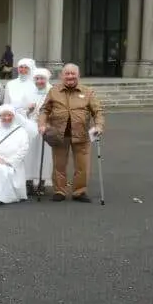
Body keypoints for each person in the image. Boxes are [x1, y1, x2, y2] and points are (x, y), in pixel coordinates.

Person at [38, 63, 105, 202]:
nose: (70, 76)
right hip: (59, 134)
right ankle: (59, 191)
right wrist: (42, 124)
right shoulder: (54, 91)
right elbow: (45, 110)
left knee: (82, 165)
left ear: (78, 75)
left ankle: (79, 192)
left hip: (81, 135)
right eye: (67, 74)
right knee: (59, 164)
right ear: (62, 76)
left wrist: (99, 126)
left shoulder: (87, 92)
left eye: (73, 74)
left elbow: (97, 112)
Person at [0, 105, 30, 204]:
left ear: (14, 116)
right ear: (0, 116)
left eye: (9, 115)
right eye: (4, 115)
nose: (7, 118)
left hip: (10, 163)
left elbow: (24, 149)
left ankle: (1, 197)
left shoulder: (21, 131)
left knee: (1, 169)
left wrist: (7, 161)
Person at [20, 68, 53, 191]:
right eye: (37, 79)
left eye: (42, 79)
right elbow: (20, 112)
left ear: (47, 79)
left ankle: (41, 182)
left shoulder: (52, 92)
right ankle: (28, 181)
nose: (39, 81)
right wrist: (28, 110)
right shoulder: (28, 92)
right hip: (30, 127)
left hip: (46, 127)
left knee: (44, 156)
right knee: (29, 154)